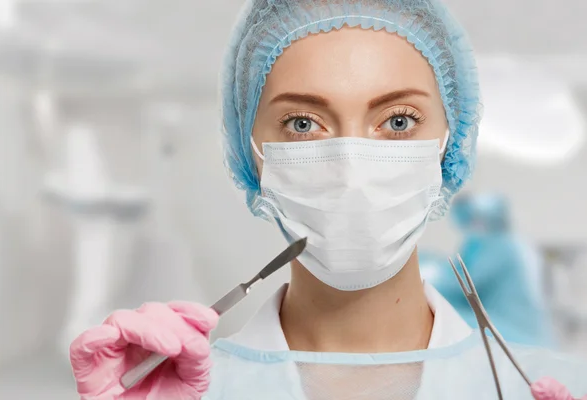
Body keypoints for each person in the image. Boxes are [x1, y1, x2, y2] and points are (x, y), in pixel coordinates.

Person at [69, 1, 587, 399]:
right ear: (252, 157)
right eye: (302, 124)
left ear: (449, 146)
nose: (350, 168)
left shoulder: (548, 386)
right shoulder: (177, 390)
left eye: (398, 121)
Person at [420, 193, 555, 347]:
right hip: (530, 334)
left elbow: (462, 283)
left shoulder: (500, 246)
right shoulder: (514, 243)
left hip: (514, 331)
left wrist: (428, 274)